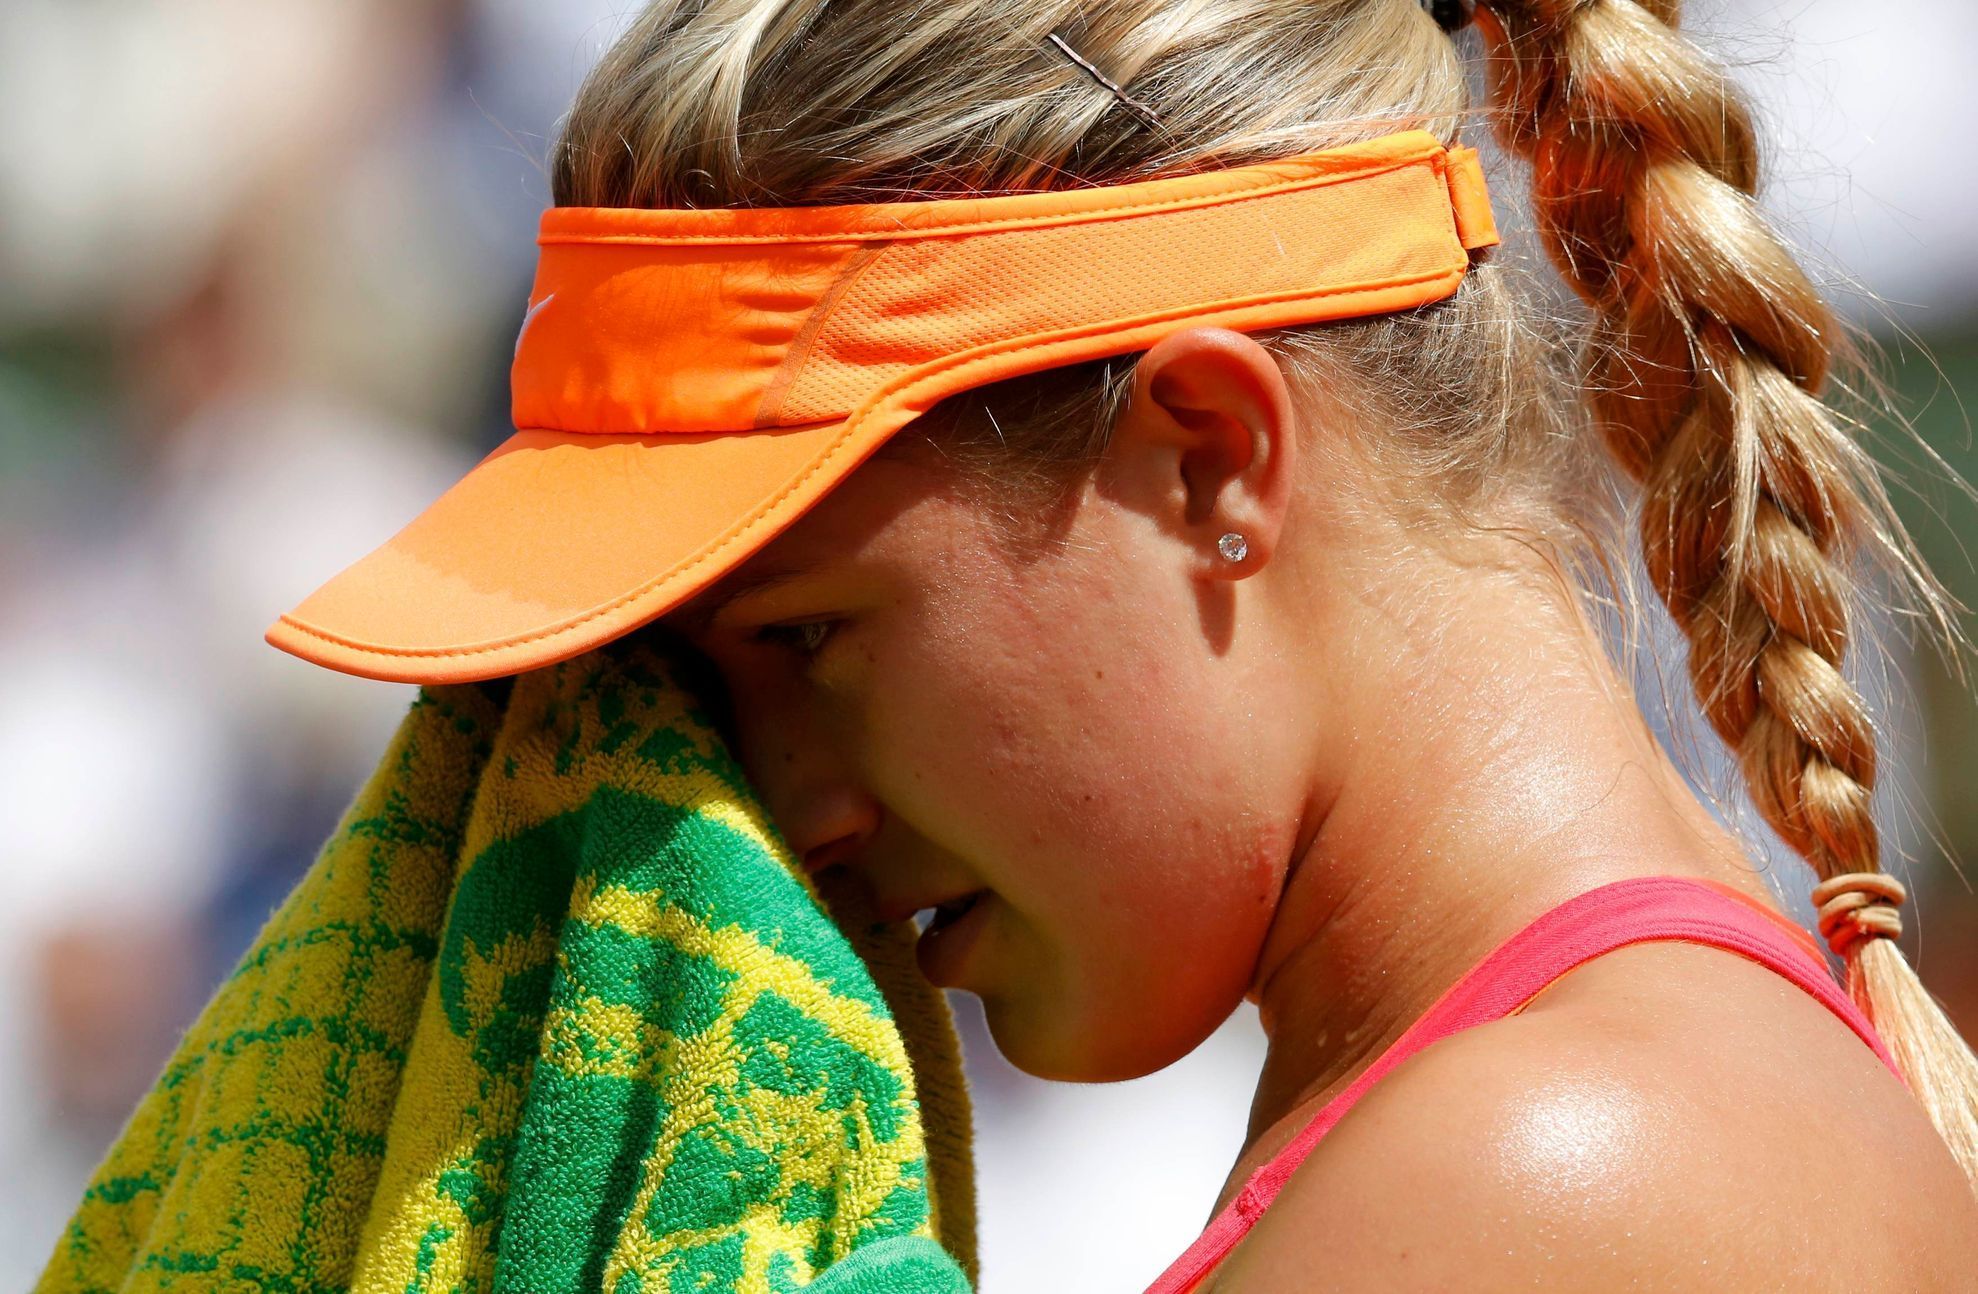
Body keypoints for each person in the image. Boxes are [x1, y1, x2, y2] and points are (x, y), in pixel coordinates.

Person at [263, 0, 1978, 1285]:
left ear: (1211, 460)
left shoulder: (1553, 1177)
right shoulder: (1518, 1115)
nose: (787, 811)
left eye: (809, 637)